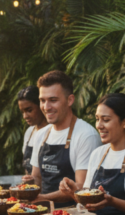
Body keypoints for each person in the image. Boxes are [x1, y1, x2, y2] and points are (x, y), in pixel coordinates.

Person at [59, 93, 125, 215]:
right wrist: (74, 193)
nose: (99, 125)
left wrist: (112, 201)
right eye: (97, 119)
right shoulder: (97, 154)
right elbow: (89, 202)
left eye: (105, 120)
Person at [30, 70, 100, 207]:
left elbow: (81, 189)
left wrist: (43, 198)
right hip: (41, 211)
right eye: (42, 101)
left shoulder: (86, 135)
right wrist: (26, 190)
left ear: (70, 100)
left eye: (53, 100)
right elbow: (36, 177)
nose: (46, 107)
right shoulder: (40, 134)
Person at [17, 86, 47, 182]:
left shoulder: (52, 132)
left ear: (41, 106)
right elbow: (27, 170)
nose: (25, 116)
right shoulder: (29, 132)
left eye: (29, 110)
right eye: (22, 112)